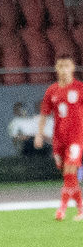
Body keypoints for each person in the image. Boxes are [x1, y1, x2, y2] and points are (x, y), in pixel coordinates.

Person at [33, 56, 83, 220]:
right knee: (69, 175)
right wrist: (39, 135)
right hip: (59, 139)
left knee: (70, 170)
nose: (63, 69)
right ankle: (81, 209)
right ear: (56, 68)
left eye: (66, 66)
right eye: (60, 66)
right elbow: (44, 114)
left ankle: (61, 209)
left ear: (73, 67)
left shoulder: (80, 88)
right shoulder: (52, 91)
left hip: (76, 137)